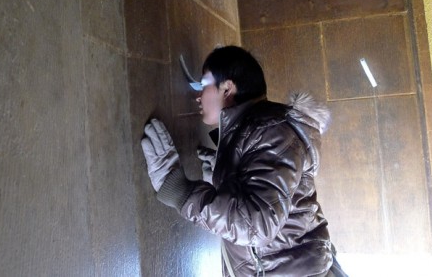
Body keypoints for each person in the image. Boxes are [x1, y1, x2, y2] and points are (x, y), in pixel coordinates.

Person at [141, 46, 347, 277]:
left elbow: (257, 227)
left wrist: (181, 192)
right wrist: (227, 184)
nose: (198, 96)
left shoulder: (273, 132)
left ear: (227, 88)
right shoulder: (262, 130)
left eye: (204, 85)